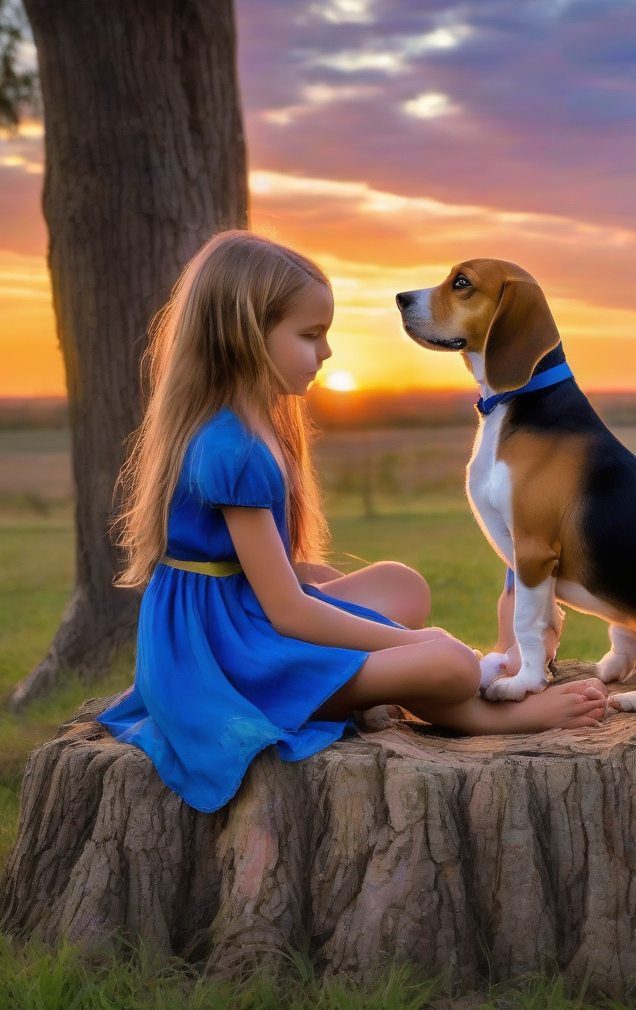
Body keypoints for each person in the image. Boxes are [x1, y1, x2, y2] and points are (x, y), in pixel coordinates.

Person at [98, 231, 607, 813]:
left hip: (239, 618)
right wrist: (412, 640)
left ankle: (412, 679)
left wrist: (349, 605)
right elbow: (287, 610)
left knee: (401, 585)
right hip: (223, 660)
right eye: (310, 335)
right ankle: (486, 714)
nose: (328, 352)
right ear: (242, 335)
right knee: (444, 659)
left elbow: (268, 577)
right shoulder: (229, 447)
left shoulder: (255, 425)